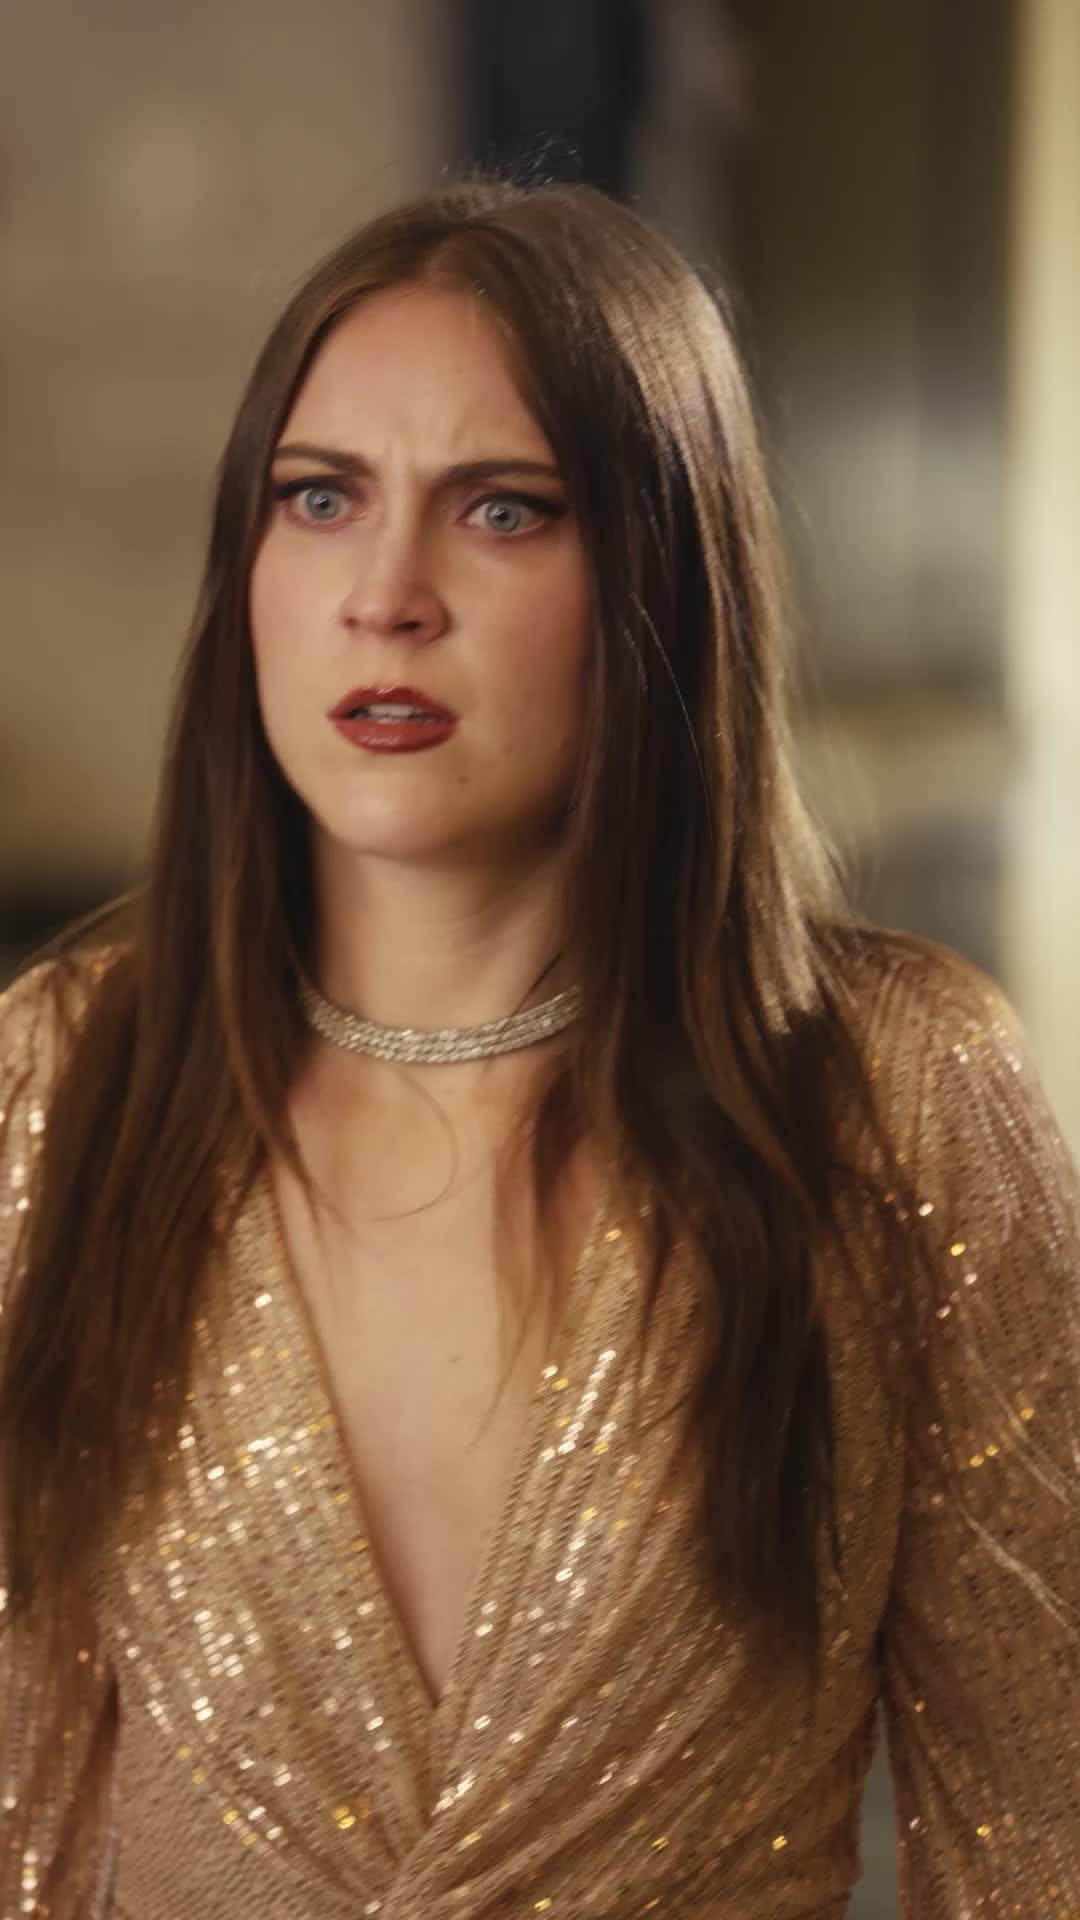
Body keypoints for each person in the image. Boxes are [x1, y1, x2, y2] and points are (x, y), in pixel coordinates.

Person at [0, 178, 1076, 1920]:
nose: (387, 596)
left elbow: (1042, 1837)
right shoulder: (64, 1088)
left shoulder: (892, 1096)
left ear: (663, 577)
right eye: (320, 499)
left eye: (504, 510)